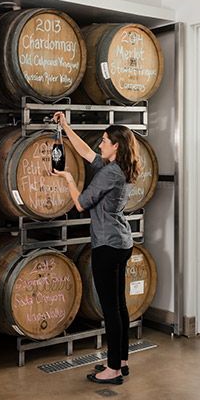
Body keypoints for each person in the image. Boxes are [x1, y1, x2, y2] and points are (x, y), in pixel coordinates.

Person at [51, 111, 141, 385]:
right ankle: (121, 361)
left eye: (104, 141)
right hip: (121, 242)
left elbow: (81, 203)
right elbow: (86, 153)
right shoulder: (117, 167)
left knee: (110, 309)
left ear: (116, 146)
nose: (99, 144)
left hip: (107, 245)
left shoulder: (109, 174)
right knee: (120, 306)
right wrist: (66, 127)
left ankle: (112, 370)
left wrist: (67, 178)